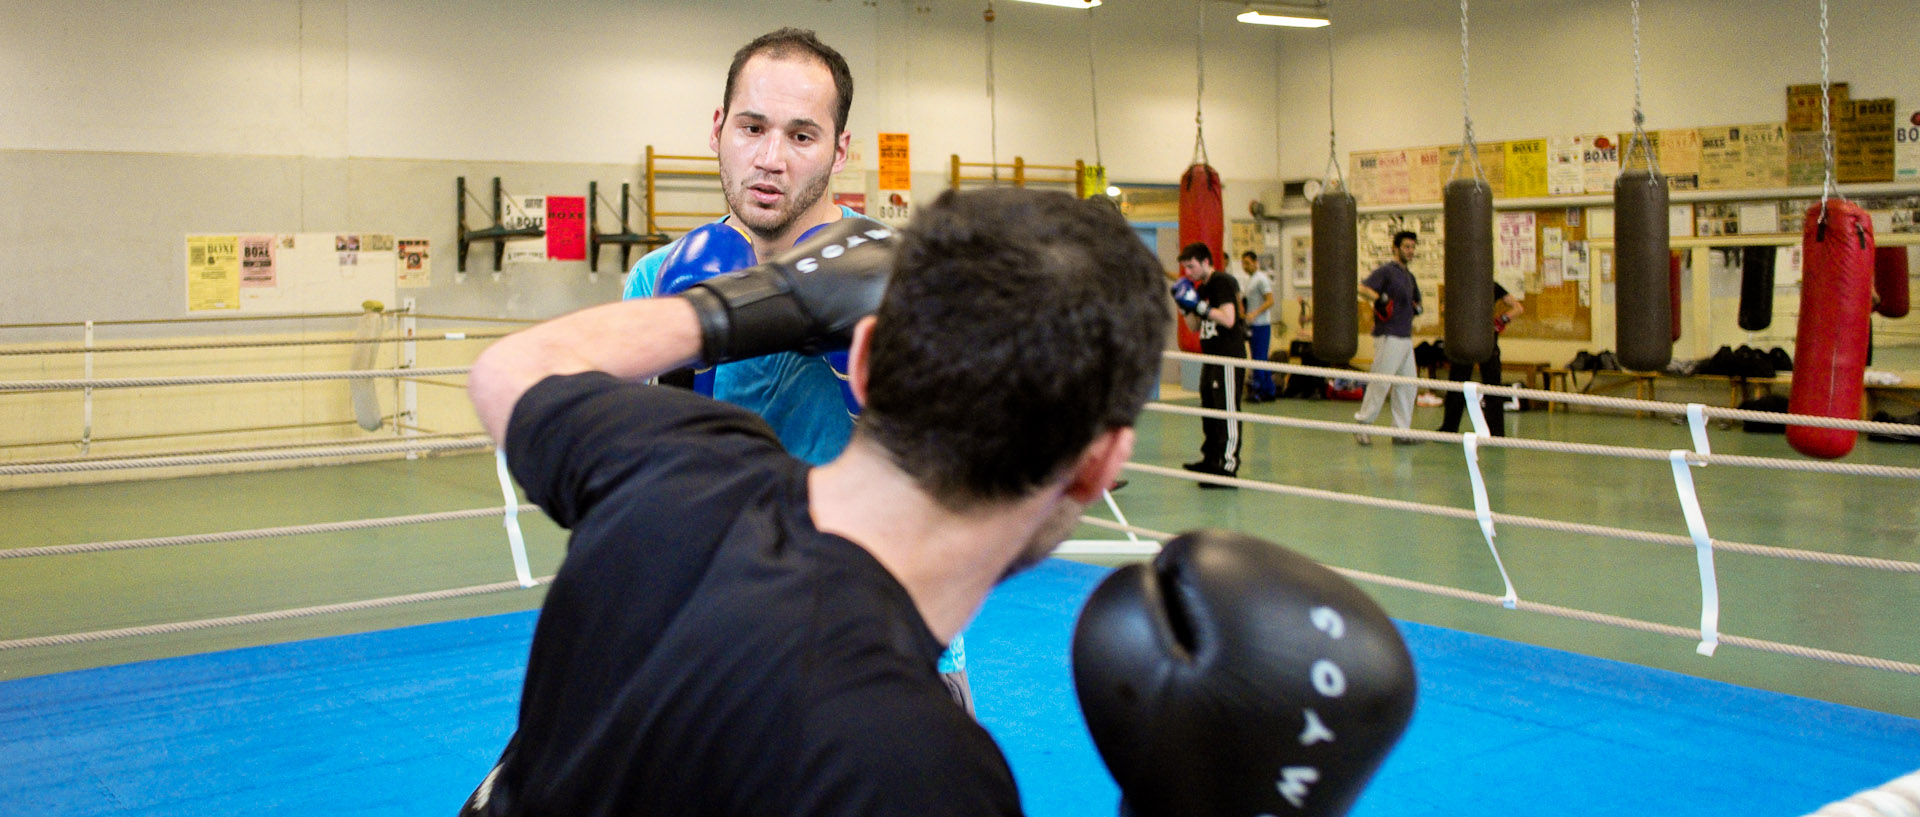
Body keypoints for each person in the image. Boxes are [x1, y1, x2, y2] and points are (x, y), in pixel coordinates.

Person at [461, 187, 1418, 817]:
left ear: (866, 361)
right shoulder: (917, 770)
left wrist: (764, 300)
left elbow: (512, 370)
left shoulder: (677, 468)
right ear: (1100, 466)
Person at [622, 28, 977, 707]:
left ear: (841, 150)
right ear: (718, 129)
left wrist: (861, 378)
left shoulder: (901, 278)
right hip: (718, 622)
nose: (770, 158)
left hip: (889, 628)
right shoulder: (658, 277)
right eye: (752, 127)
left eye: (802, 136)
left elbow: (955, 476)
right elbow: (631, 475)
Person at [1171, 243, 1247, 486]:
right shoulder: (1201, 287)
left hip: (1227, 356)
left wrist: (1200, 305)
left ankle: (1227, 467)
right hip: (1211, 356)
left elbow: (1228, 318)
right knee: (1209, 410)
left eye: (1191, 266)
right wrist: (1185, 306)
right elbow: (1195, 326)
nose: (1188, 272)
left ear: (1205, 262)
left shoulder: (1221, 282)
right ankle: (1210, 461)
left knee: (1227, 411)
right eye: (1185, 268)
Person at [1352, 231, 1424, 446]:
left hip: (1405, 336)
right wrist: (1379, 298)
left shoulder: (1409, 277)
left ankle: (1401, 431)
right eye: (1406, 247)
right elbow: (1362, 288)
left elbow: (1416, 302)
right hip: (1389, 335)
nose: (1410, 251)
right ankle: (1361, 426)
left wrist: (1417, 308)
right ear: (1395, 248)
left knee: (1408, 385)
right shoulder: (1387, 271)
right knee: (1380, 383)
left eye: (1412, 247)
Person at [1437, 282, 1525, 436]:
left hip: (1484, 341)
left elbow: (1518, 308)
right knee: (1458, 385)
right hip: (1465, 340)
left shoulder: (1490, 286)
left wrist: (1502, 319)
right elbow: (1444, 310)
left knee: (1491, 387)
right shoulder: (1458, 283)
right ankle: (1450, 428)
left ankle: (1495, 431)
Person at [1238, 251, 1279, 402]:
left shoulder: (1261, 279)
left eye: (1247, 263)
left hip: (1261, 325)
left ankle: (1259, 390)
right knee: (1259, 357)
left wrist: (1255, 313)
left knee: (1259, 359)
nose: (1245, 266)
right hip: (1252, 325)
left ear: (1256, 262)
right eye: (1243, 263)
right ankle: (1269, 390)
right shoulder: (1250, 280)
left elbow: (1270, 300)